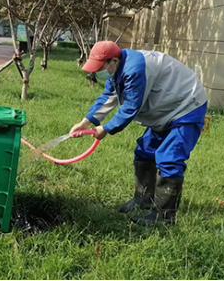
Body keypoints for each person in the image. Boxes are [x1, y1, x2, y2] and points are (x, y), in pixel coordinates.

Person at [71, 41, 207, 225]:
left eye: (100, 67)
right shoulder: (119, 67)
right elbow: (108, 96)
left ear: (113, 61)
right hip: (166, 109)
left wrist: (105, 129)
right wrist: (86, 121)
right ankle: (143, 200)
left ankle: (163, 216)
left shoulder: (135, 69)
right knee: (144, 151)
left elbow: (130, 108)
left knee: (169, 158)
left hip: (187, 107)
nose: (97, 72)